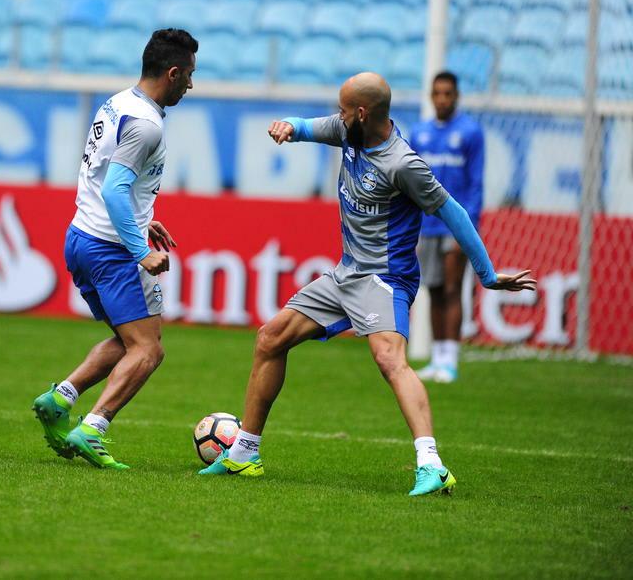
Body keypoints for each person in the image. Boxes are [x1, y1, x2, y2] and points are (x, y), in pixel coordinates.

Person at [199, 73, 535, 496]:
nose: (336, 117)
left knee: (389, 359)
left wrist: (487, 274)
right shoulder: (346, 130)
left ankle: (432, 465)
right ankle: (245, 454)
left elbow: (454, 213)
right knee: (270, 337)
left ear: (362, 113)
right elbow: (303, 127)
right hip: (346, 274)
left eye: (343, 109)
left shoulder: (403, 164)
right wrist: (287, 125)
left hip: (384, 277)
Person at [30, 28, 197, 470]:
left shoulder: (117, 102)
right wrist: (140, 248)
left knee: (129, 341)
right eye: (189, 76)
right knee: (149, 349)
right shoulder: (147, 124)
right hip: (112, 249)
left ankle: (59, 397)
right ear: (173, 72)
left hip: (81, 237)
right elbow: (117, 191)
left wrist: (145, 215)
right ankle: (94, 427)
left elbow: (110, 179)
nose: (191, 86)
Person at [411, 71, 484, 383]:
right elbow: (410, 185)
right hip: (426, 225)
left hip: (455, 225)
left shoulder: (470, 132)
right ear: (431, 96)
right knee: (434, 290)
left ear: (456, 96)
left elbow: (476, 184)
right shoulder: (419, 133)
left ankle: (450, 361)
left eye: (448, 94)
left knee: (453, 289)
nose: (442, 99)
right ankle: (437, 358)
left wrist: (468, 230)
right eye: (437, 93)